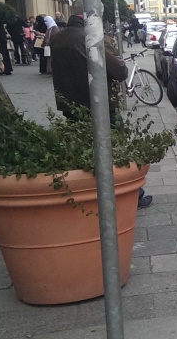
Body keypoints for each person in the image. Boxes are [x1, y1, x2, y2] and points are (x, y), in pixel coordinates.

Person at [51, 14, 152, 208]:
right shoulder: (91, 38)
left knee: (82, 151)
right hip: (100, 105)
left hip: (70, 105)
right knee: (118, 150)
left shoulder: (58, 37)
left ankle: (89, 195)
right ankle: (134, 196)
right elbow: (120, 72)